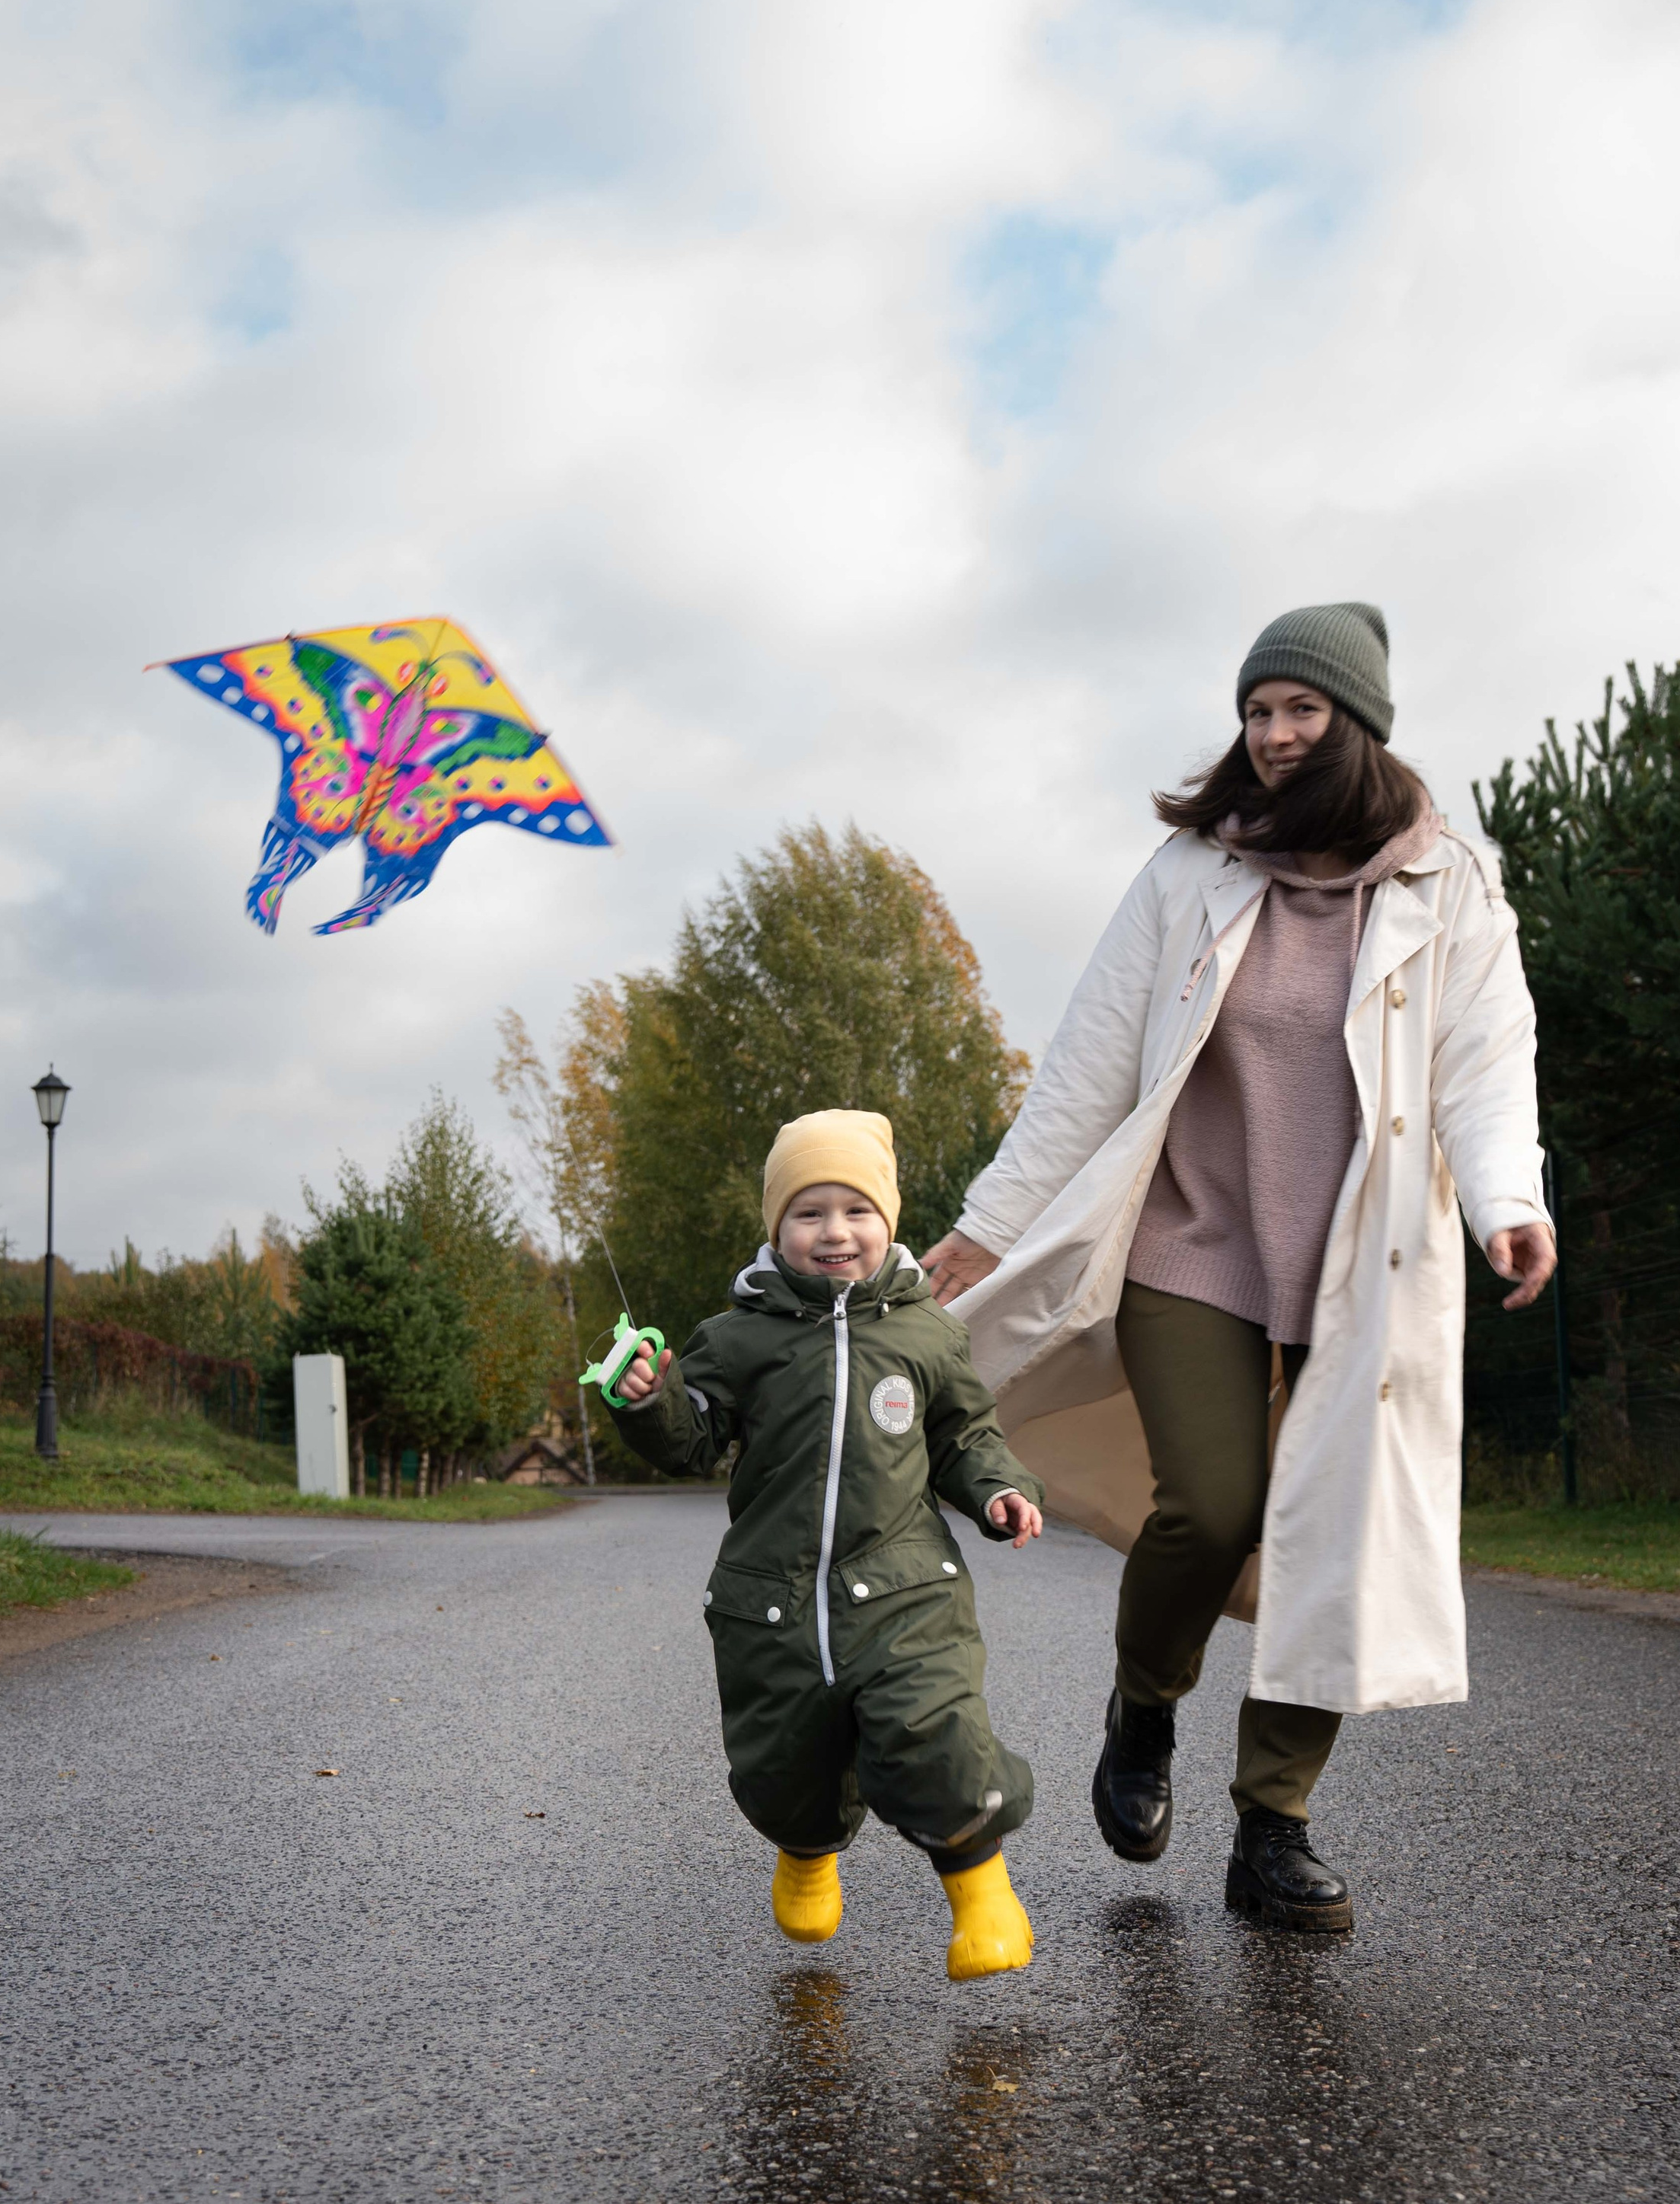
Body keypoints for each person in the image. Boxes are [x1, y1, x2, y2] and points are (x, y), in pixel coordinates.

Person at [923, 602, 1555, 1933]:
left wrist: (1507, 1199)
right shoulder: (1190, 871)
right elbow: (1091, 1062)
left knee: (1332, 1538)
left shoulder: (1455, 886)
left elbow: (1487, 1068)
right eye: (1256, 711)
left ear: (1358, 722)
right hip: (1193, 1239)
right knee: (1212, 1507)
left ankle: (1274, 1826)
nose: (1269, 735)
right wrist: (987, 1225)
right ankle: (1143, 1709)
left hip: (1359, 1261)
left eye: (1298, 710)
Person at [605, 1107, 1046, 1980]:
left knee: (937, 1734)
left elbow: (966, 1437)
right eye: (809, 1213)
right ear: (777, 1229)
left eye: (856, 1210)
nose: (835, 1232)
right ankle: (807, 1852)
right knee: (784, 1763)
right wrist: (648, 1400)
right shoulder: (737, 1338)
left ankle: (983, 1897)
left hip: (905, 1588)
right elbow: (692, 1438)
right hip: (771, 1597)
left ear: (889, 1220)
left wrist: (1001, 1490)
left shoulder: (927, 1332)